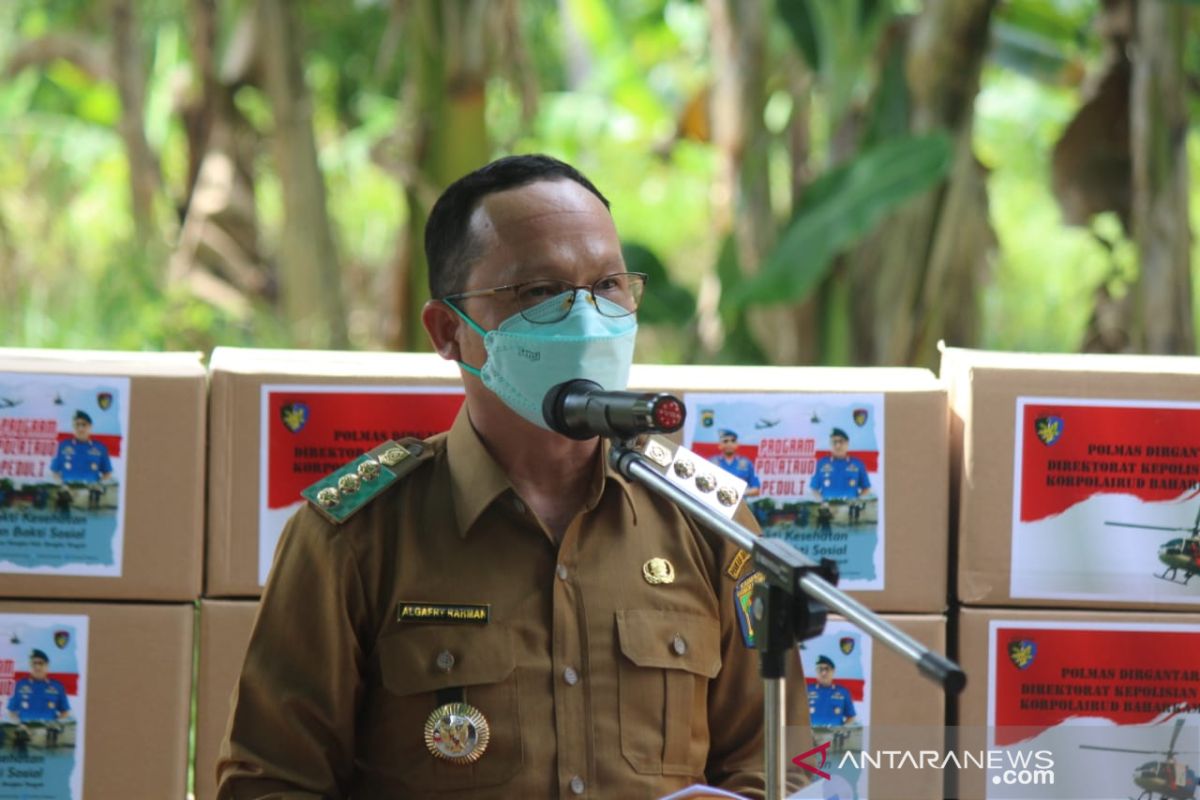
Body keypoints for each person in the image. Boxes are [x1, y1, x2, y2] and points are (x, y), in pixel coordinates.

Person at [217, 155, 811, 799]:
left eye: (609, 285)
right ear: (449, 330)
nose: (586, 318)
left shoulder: (709, 523)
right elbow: (268, 782)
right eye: (539, 292)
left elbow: (780, 760)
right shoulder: (352, 539)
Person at [49, 410, 113, 509]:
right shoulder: (62, 446)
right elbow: (54, 472)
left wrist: (98, 484)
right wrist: (62, 485)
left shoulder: (100, 448)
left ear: (90, 427)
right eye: (77, 425)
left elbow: (107, 473)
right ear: (73, 428)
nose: (80, 428)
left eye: (84, 424)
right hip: (68, 495)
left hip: (91, 495)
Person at [809, 428, 870, 522]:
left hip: (851, 511)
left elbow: (866, 488)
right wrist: (823, 503)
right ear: (830, 444)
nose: (837, 445)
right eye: (834, 442)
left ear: (847, 443)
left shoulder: (858, 464)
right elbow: (814, 488)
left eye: (841, 441)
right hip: (827, 512)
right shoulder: (821, 463)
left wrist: (857, 500)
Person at [6, 649, 71, 724]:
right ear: (29, 666)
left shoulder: (57, 686)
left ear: (47, 665)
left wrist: (55, 725)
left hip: (49, 732)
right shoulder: (19, 685)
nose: (37, 667)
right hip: (25, 732)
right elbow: (11, 711)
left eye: (41, 663)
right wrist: (19, 726)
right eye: (34, 663)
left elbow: (65, 712)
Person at [807, 655, 857, 727]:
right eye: (820, 669)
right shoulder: (806, 690)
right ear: (816, 672)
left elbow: (851, 717)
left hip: (834, 736)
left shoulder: (843, 692)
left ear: (833, 671)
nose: (823, 673)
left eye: (827, 669)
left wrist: (841, 730)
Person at [708, 429, 761, 497]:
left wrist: (740, 493)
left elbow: (756, 489)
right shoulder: (713, 462)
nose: (729, 444)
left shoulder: (745, 464)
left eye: (733, 441)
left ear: (737, 444)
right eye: (725, 441)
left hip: (738, 504)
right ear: (720, 445)